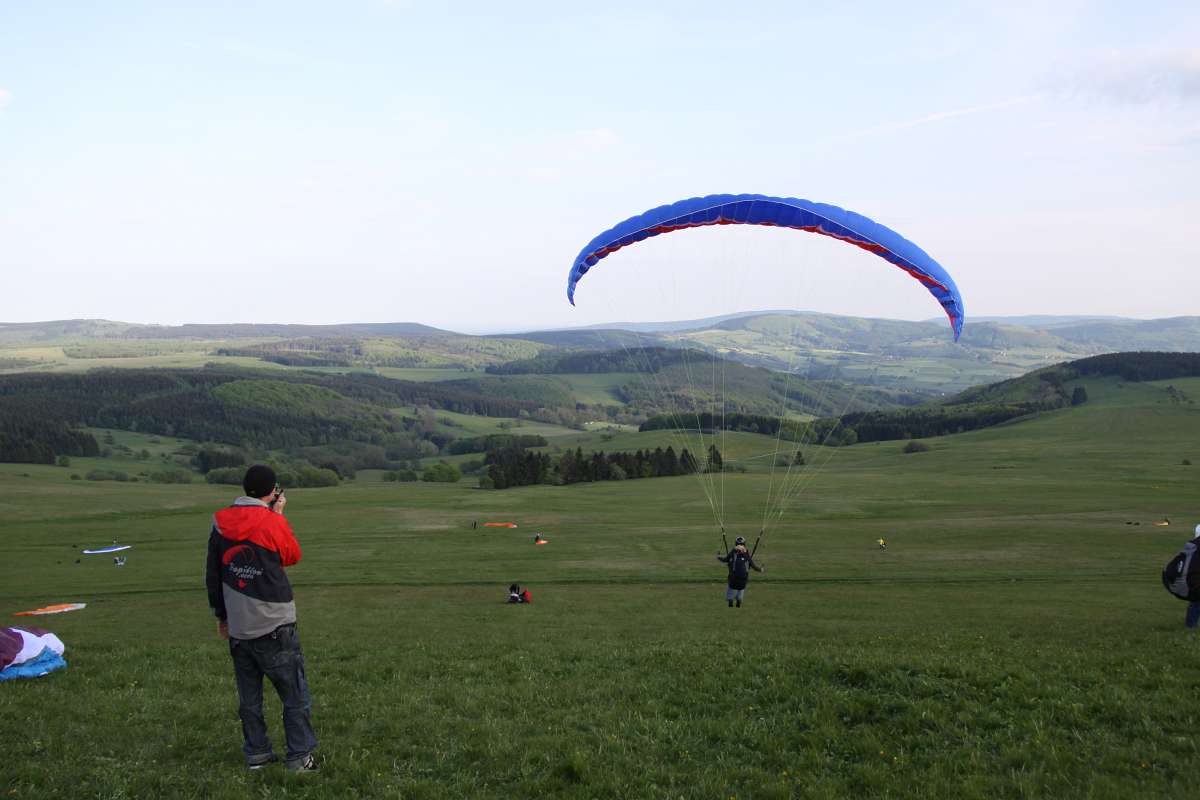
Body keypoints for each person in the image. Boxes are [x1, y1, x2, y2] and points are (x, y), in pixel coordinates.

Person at [206, 465, 318, 772]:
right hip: (275, 622)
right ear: (272, 492)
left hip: (239, 624)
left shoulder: (220, 521)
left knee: (250, 697)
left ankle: (257, 754)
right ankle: (299, 757)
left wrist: (222, 615)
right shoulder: (270, 521)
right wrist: (278, 515)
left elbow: (213, 574)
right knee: (294, 695)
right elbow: (291, 555)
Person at [717, 536, 763, 608]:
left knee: (730, 582)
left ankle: (730, 600)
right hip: (743, 582)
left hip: (733, 581)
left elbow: (725, 560)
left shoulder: (733, 551)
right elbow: (753, 566)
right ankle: (739, 599)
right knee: (742, 582)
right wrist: (760, 569)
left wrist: (718, 557)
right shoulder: (746, 554)